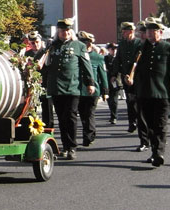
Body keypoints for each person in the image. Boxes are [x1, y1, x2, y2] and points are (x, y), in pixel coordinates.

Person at [41, 19, 95, 160]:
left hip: (72, 87)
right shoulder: (52, 46)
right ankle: (65, 146)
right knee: (61, 117)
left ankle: (71, 147)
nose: (65, 33)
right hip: (56, 87)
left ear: (71, 31)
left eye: (67, 30)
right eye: (62, 30)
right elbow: (41, 63)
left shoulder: (79, 46)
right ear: (58, 32)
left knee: (71, 116)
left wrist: (90, 83)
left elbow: (86, 65)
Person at [133, 17, 170, 167]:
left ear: (160, 32)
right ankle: (154, 151)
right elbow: (133, 68)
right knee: (149, 125)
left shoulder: (168, 48)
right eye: (148, 31)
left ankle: (159, 153)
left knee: (160, 125)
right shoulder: (141, 48)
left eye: (153, 31)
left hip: (162, 93)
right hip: (144, 93)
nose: (149, 34)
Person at [111, 21, 149, 152]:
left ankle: (140, 127)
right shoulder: (122, 44)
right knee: (130, 101)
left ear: (131, 31)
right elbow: (118, 59)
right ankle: (132, 122)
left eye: (125, 31)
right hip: (126, 77)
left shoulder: (139, 43)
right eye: (122, 31)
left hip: (138, 78)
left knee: (139, 103)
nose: (123, 33)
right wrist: (114, 74)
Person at [77, 31, 108, 147]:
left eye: (85, 42)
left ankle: (89, 136)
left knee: (89, 114)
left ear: (90, 43)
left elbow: (103, 74)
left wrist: (105, 91)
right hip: (79, 90)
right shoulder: (77, 56)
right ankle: (88, 133)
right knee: (82, 114)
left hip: (93, 91)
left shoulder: (98, 57)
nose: (84, 44)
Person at [103, 43, 120, 124]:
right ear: (109, 50)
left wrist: (115, 76)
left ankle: (114, 117)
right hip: (107, 81)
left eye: (116, 49)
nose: (114, 51)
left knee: (114, 100)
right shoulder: (105, 58)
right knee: (109, 100)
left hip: (116, 81)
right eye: (112, 49)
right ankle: (112, 115)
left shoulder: (118, 58)